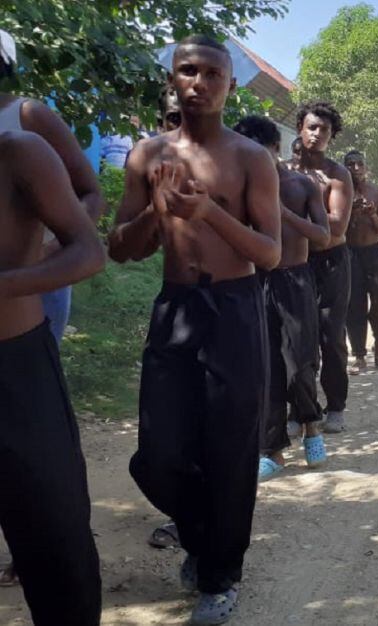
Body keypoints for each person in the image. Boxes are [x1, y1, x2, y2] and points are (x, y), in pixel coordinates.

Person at [108, 35, 283, 624]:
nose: (199, 83)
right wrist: (157, 214)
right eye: (188, 71)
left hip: (235, 309)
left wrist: (209, 213)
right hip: (176, 307)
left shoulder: (250, 159)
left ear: (230, 86)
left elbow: (271, 252)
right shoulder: (146, 155)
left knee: (230, 451)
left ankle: (219, 576)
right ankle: (204, 537)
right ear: (173, 80)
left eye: (212, 74)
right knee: (157, 456)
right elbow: (119, 249)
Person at [0, 91, 106, 626]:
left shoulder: (19, 151)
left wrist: (9, 282)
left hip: (15, 371)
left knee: (54, 538)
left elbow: (89, 250)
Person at [233, 115, 330, 481]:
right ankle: (272, 449)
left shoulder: (301, 185)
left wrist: (284, 214)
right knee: (266, 367)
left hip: (295, 280)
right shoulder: (238, 187)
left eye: (259, 150)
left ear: (274, 148)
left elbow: (322, 236)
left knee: (300, 362)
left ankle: (311, 425)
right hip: (255, 281)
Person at [0, 31, 105, 346]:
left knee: (34, 360)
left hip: (45, 276)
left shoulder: (25, 116)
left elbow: (92, 193)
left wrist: (49, 251)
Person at [293, 101, 353, 434]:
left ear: (332, 136)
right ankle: (300, 408)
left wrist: (296, 225)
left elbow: (335, 230)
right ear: (300, 128)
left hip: (330, 264)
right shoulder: (284, 171)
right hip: (294, 263)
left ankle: (336, 406)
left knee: (330, 336)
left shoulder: (337, 175)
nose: (316, 134)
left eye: (324, 130)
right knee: (295, 338)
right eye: (311, 127)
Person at [343, 151, 378, 371]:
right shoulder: (340, 193)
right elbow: (335, 229)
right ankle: (359, 355)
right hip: (350, 254)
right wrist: (350, 212)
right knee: (355, 305)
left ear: (366, 167)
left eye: (359, 164)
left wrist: (372, 214)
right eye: (350, 164)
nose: (355, 168)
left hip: (374, 254)